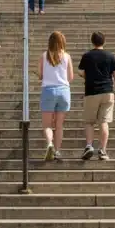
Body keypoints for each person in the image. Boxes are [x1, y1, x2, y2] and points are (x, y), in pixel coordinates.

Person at [79, 31, 115, 161]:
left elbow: (80, 71)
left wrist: (88, 76)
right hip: (107, 91)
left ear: (92, 41)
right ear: (104, 41)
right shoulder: (110, 56)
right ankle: (102, 150)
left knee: (89, 122)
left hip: (91, 91)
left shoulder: (87, 56)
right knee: (104, 122)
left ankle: (89, 146)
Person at [39, 30, 73, 162]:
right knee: (59, 125)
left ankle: (49, 144)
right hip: (64, 91)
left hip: (48, 91)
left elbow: (41, 75)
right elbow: (70, 77)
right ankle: (57, 151)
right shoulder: (67, 56)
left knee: (47, 125)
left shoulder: (44, 55)